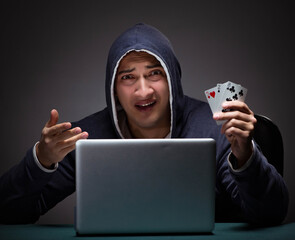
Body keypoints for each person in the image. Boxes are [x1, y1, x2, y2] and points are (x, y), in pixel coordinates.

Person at [0, 23, 288, 225]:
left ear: (173, 79)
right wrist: (41, 161)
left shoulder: (217, 125)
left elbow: (270, 214)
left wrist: (246, 155)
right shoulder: (84, 136)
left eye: (154, 73)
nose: (143, 91)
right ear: (113, 87)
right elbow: (8, 212)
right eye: (128, 77)